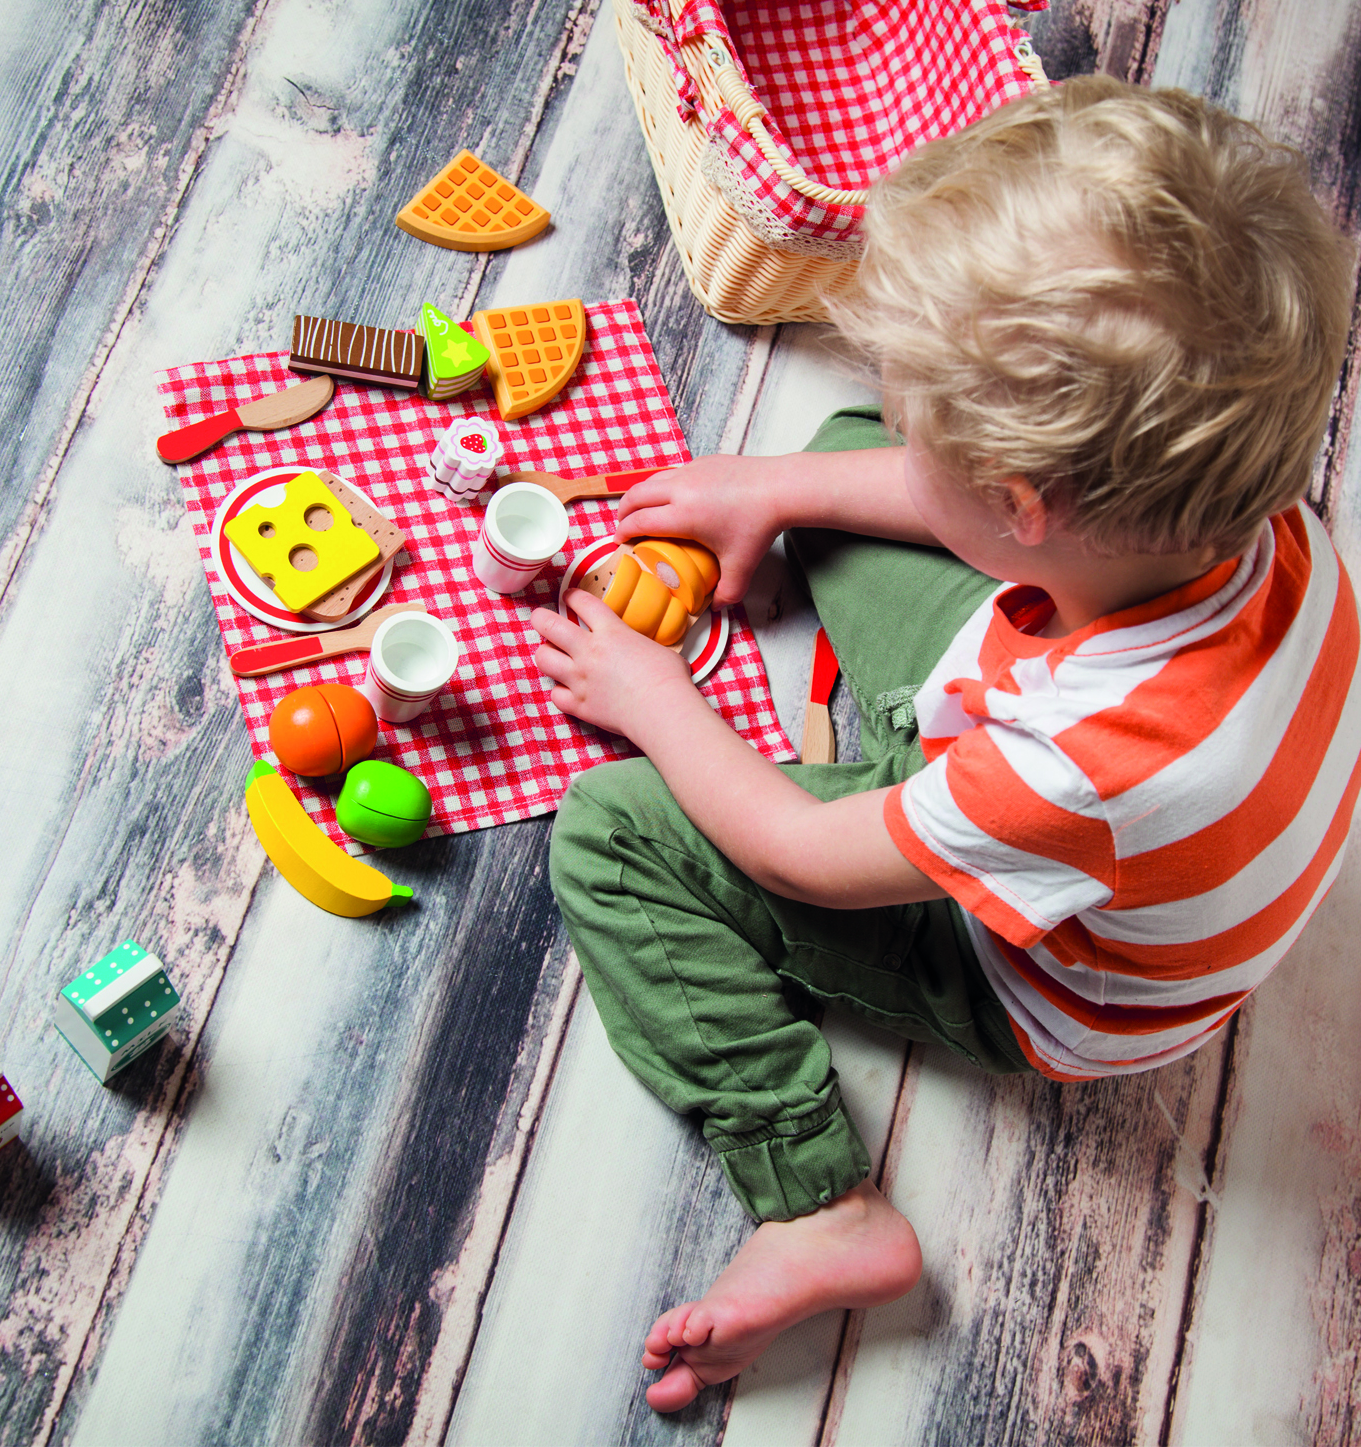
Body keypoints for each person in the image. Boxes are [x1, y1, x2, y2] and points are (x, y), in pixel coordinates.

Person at [529, 75, 1359, 1413]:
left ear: (1026, 510)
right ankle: (874, 546)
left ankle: (822, 1208)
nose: (895, 415)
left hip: (1035, 973)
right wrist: (781, 485)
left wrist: (652, 700)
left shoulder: (1088, 765)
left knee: (615, 836)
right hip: (1066, 705)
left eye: (936, 435)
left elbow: (795, 852)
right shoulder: (1257, 515)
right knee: (839, 458)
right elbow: (950, 498)